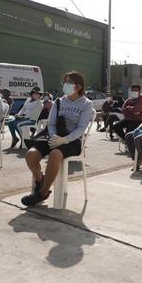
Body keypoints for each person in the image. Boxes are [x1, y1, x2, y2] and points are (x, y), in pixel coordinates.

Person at [21, 71, 94, 206]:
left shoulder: (86, 104)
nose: (65, 85)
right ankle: (39, 180)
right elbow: (52, 123)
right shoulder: (59, 102)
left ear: (78, 86)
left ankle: (43, 192)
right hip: (55, 137)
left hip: (72, 142)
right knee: (31, 154)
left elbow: (81, 128)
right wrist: (54, 136)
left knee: (55, 154)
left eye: (68, 83)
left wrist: (64, 140)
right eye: (64, 82)